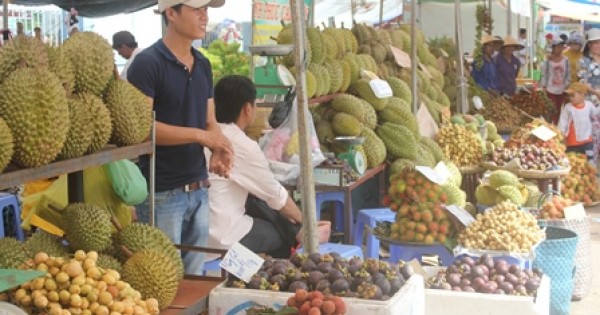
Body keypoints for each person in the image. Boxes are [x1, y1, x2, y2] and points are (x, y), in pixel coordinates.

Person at [127, 0, 233, 275]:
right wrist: (200, 137)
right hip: (162, 192)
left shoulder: (203, 64)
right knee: (162, 280)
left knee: (194, 280)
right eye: (196, 9)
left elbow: (210, 121)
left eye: (206, 10)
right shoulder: (146, 64)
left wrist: (220, 146)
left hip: (198, 189)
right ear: (171, 13)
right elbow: (141, 130)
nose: (204, 16)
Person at [207, 75, 302, 259]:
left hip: (199, 230)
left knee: (260, 205)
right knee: (284, 235)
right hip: (222, 236)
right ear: (247, 109)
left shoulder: (207, 133)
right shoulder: (241, 144)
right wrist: (304, 223)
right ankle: (261, 279)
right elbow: (276, 196)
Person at [558, 83, 600, 161]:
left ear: (582, 96)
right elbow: (562, 125)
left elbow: (596, 112)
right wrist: (562, 140)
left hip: (587, 142)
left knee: (589, 164)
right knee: (574, 165)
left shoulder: (589, 105)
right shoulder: (568, 108)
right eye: (569, 96)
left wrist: (592, 91)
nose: (570, 98)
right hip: (571, 143)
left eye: (573, 95)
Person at [578, 28, 600, 161]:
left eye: (599, 42)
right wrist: (595, 92)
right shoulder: (584, 62)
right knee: (594, 135)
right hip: (592, 103)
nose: (597, 45)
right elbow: (582, 83)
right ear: (589, 45)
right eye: (594, 43)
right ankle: (593, 165)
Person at [540, 39, 570, 124]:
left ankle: (557, 127)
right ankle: (551, 125)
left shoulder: (566, 60)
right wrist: (544, 86)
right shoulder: (548, 60)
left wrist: (567, 85)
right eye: (558, 47)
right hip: (551, 89)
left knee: (560, 110)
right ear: (553, 48)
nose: (560, 49)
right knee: (552, 109)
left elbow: (568, 73)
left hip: (562, 90)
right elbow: (544, 73)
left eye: (561, 47)